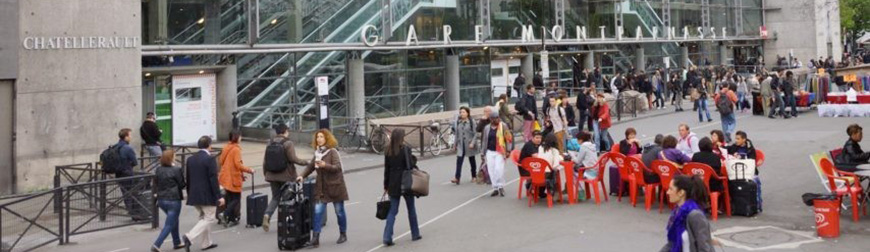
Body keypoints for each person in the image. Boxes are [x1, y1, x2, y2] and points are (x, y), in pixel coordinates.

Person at [297, 129, 349, 247]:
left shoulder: (332, 152)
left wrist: (325, 165)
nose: (319, 139)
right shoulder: (317, 153)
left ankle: (343, 233)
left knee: (339, 211)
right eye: (317, 137)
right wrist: (301, 176)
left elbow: (337, 167)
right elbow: (310, 167)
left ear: (327, 139)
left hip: (335, 187)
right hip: (322, 188)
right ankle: (315, 239)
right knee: (317, 212)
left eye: (321, 137)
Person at [262, 124, 310, 232]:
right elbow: (293, 159)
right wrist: (306, 162)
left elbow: (265, 161)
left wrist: (266, 174)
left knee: (275, 198)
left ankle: (267, 215)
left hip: (272, 176)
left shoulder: (269, 143)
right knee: (287, 200)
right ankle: (284, 222)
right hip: (286, 176)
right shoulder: (288, 143)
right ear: (285, 131)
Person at [181, 136, 223, 252]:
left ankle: (206, 243)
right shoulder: (210, 159)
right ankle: (189, 237)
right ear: (209, 145)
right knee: (209, 219)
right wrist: (219, 196)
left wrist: (189, 194)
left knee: (203, 218)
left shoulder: (190, 159)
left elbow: (188, 178)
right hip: (207, 195)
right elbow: (213, 179)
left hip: (194, 194)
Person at [382, 129, 422, 246]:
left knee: (393, 211)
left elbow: (386, 170)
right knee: (411, 209)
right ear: (401, 138)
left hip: (393, 183)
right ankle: (415, 234)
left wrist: (386, 185)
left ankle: (387, 237)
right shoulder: (405, 149)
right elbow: (410, 165)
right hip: (406, 182)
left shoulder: (388, 150)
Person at [660, 175, 714, 252]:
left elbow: (704, 247)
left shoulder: (695, 215)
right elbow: (672, 243)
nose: (668, 192)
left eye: (671, 189)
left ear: (681, 192)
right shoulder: (677, 212)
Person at [217, 130, 254, 226]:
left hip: (225, 177)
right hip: (233, 178)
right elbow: (238, 165)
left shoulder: (226, 147)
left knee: (229, 198)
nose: (241, 138)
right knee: (236, 199)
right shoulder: (236, 149)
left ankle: (231, 218)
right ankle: (224, 214)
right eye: (240, 136)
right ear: (236, 137)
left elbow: (221, 161)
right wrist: (249, 170)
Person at [151, 150, 185, 252]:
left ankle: (177, 242)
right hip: (174, 200)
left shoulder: (158, 169)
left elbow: (156, 182)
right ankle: (157, 244)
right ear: (171, 158)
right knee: (169, 224)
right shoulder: (176, 169)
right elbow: (182, 184)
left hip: (161, 200)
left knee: (173, 220)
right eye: (174, 156)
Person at [481, 111, 513, 197]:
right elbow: (484, 140)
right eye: (495, 118)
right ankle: (495, 188)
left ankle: (501, 186)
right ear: (491, 119)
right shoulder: (487, 128)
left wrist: (508, 150)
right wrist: (482, 153)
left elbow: (508, 138)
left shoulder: (503, 126)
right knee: (491, 170)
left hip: (500, 151)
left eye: (498, 117)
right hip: (490, 151)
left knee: (498, 169)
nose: (497, 119)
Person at [114, 128, 143, 220]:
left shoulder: (115, 146)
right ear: (126, 137)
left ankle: (131, 212)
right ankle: (134, 214)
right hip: (127, 173)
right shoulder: (128, 148)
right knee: (132, 193)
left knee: (125, 194)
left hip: (118, 174)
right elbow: (135, 162)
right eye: (130, 135)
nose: (131, 137)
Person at [452, 107, 478, 185]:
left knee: (472, 160)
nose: (462, 114)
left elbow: (476, 133)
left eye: (463, 112)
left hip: (469, 144)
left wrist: (473, 143)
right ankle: (457, 177)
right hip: (461, 144)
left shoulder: (471, 121)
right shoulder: (458, 122)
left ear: (467, 113)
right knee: (459, 161)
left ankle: (474, 176)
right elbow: (456, 134)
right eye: (461, 112)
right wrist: (455, 144)